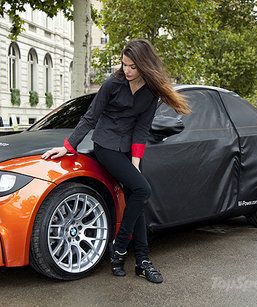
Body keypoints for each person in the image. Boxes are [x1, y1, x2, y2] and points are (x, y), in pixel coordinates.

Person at [42, 39, 190, 283]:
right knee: (142, 188)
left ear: (144, 65)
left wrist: (135, 163)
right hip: (106, 146)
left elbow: (142, 129)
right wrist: (68, 147)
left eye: (132, 66)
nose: (127, 70)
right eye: (124, 65)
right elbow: (90, 117)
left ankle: (142, 261)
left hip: (128, 149)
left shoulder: (151, 93)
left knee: (137, 196)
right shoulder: (113, 83)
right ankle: (120, 246)